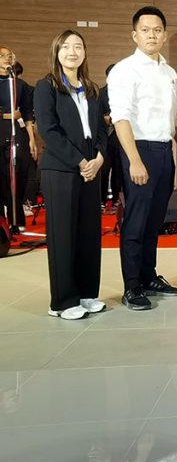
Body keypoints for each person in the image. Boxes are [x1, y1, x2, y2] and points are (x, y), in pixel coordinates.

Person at [107, 6, 177, 310]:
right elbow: (121, 117)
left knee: (155, 220)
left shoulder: (169, 73)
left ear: (164, 35)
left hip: (164, 151)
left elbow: (176, 118)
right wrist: (134, 160)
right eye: (145, 30)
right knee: (136, 221)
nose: (151, 35)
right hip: (138, 150)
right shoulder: (125, 70)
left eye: (157, 30)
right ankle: (132, 286)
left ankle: (149, 276)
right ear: (134, 35)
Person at [34, 30, 107, 320]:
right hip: (61, 168)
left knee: (89, 234)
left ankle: (87, 293)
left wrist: (99, 157)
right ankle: (62, 302)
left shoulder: (91, 89)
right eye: (66, 47)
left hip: (91, 168)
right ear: (57, 51)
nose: (72, 52)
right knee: (63, 235)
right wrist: (79, 160)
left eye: (78, 46)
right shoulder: (47, 86)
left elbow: (101, 129)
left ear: (85, 52)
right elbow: (48, 130)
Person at [0, 45, 38, 233]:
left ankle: (16, 220)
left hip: (16, 134)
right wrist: (7, 115)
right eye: (2, 55)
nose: (6, 58)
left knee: (16, 176)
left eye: (9, 55)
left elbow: (27, 113)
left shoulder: (19, 84)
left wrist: (32, 139)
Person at [97, 64, 123, 209]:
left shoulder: (124, 92)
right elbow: (94, 115)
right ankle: (101, 200)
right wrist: (105, 118)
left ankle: (115, 200)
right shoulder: (100, 93)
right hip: (105, 137)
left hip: (119, 137)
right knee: (103, 169)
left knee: (118, 169)